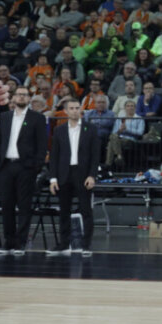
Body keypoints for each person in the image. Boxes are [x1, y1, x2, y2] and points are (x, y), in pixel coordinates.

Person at [0, 85, 48, 255]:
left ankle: (20, 242)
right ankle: (8, 242)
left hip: (25, 167)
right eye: (18, 95)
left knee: (24, 206)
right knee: (6, 206)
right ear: (13, 98)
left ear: (29, 99)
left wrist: (35, 167)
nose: (21, 97)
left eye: (24, 95)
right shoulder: (4, 117)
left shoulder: (37, 118)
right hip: (5, 167)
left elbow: (42, 146)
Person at [46, 96, 99, 256]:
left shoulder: (90, 129)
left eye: (77, 108)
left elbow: (95, 155)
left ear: (81, 110)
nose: (75, 111)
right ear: (66, 111)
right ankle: (64, 244)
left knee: (86, 210)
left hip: (82, 174)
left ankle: (86, 245)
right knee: (64, 211)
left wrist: (92, 175)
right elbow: (54, 156)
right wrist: (53, 179)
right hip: (64, 174)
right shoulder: (59, 130)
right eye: (72, 108)